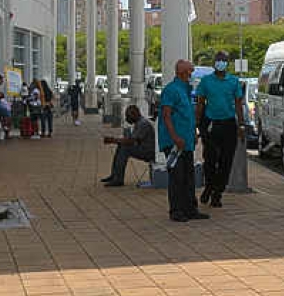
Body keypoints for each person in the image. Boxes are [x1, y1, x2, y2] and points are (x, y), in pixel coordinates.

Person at [159, 60, 209, 222]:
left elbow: (187, 115)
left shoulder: (186, 90)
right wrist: (175, 137)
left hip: (186, 141)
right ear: (182, 72)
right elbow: (166, 116)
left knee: (188, 176)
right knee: (177, 176)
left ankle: (190, 208)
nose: (191, 75)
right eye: (190, 72)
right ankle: (176, 210)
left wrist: (193, 133)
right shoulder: (171, 90)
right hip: (175, 143)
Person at [196, 50, 245, 208]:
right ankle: (209, 186)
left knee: (226, 161)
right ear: (214, 63)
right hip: (211, 124)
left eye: (224, 60)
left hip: (229, 124)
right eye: (218, 60)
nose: (221, 62)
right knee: (210, 159)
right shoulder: (206, 81)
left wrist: (241, 125)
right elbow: (200, 103)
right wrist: (197, 124)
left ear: (227, 63)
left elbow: (238, 104)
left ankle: (218, 193)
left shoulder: (234, 81)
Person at [100, 105, 155, 187]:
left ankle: (118, 179)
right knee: (121, 146)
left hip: (148, 152)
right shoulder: (139, 123)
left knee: (125, 148)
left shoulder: (143, 124)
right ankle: (114, 175)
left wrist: (113, 140)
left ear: (134, 114)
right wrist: (117, 141)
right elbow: (131, 140)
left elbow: (131, 141)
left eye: (128, 116)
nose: (127, 119)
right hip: (144, 149)